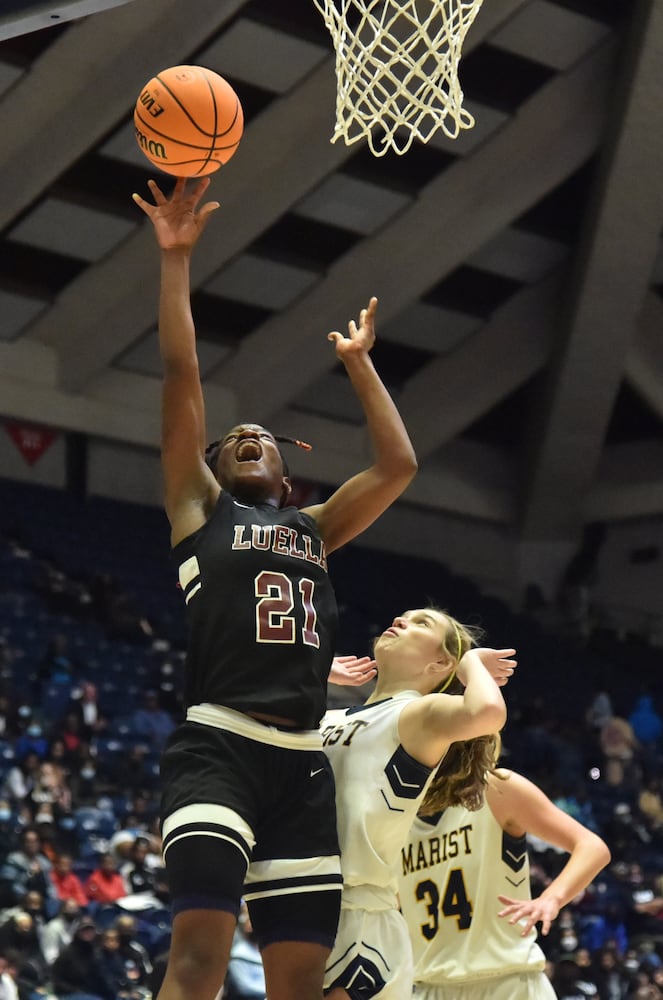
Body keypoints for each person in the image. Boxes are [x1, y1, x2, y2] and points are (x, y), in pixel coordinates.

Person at [131, 174, 418, 1000]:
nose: (249, 437)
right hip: (218, 747)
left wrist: (359, 366)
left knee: (298, 984)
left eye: (264, 437)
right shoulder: (197, 508)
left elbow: (397, 466)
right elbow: (181, 370)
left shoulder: (316, 529)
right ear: (213, 465)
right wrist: (176, 260)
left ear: (288, 477)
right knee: (199, 961)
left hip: (301, 765)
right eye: (235, 438)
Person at [319, 608, 509, 1000]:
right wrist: (311, 674)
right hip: (304, 898)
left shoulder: (417, 713)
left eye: (422, 623)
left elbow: (487, 712)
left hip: (359, 918)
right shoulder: (326, 717)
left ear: (441, 662)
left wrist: (471, 663)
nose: (402, 621)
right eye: (404, 616)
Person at [399, 754, 611, 1000]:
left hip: (509, 984)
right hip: (430, 987)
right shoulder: (395, 817)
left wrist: (551, 897)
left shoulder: (496, 789)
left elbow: (592, 847)